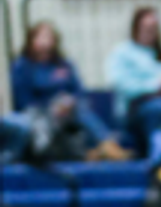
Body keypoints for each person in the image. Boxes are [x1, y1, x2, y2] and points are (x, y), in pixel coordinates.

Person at [11, 21, 113, 160]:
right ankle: (92, 150)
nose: (45, 42)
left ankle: (107, 145)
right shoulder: (22, 67)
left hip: (67, 111)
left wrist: (69, 103)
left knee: (81, 108)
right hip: (39, 113)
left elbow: (78, 91)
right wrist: (50, 107)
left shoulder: (64, 64)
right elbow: (23, 101)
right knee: (42, 120)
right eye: (41, 37)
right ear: (31, 40)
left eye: (49, 37)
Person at [106, 6, 161, 157]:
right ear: (135, 28)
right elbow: (120, 84)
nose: (150, 31)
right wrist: (155, 86)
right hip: (136, 110)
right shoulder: (122, 53)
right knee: (158, 108)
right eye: (146, 27)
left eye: (154, 27)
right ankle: (160, 157)